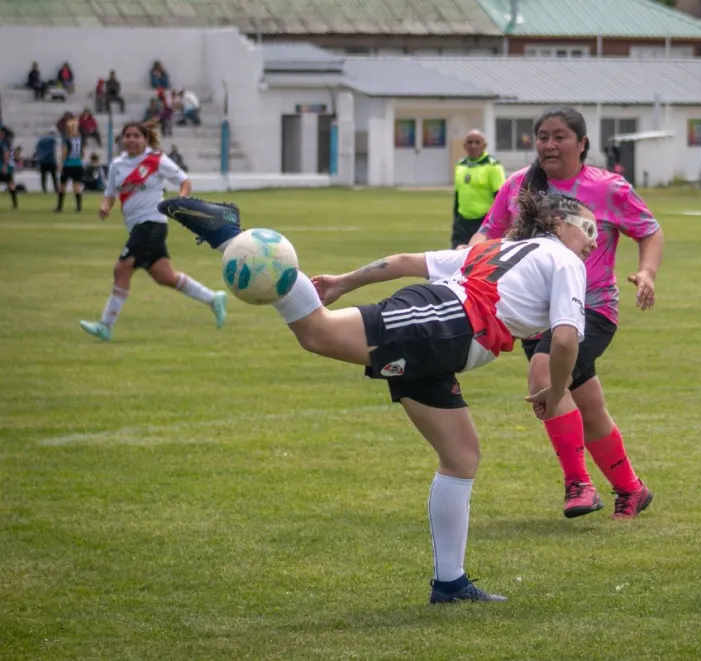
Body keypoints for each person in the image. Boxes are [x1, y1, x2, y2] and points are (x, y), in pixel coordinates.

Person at [157, 189, 597, 604]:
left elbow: (406, 261)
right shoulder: (564, 260)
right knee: (317, 332)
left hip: (442, 342)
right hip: (444, 323)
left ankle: (450, 584)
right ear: (559, 223)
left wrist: (344, 282)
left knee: (461, 456)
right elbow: (563, 340)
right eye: (589, 229)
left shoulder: (496, 247)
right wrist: (556, 392)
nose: (593, 244)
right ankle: (229, 234)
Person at [469, 106, 664, 520]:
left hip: (590, 307)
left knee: (544, 377)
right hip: (536, 314)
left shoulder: (609, 187)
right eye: (542, 136)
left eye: (560, 136)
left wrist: (646, 273)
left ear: (582, 143)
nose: (549, 144)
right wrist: (471, 257)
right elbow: (488, 231)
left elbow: (649, 229)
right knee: (586, 407)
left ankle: (579, 485)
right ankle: (632, 490)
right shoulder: (519, 186)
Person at [79, 122, 227, 341]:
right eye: (127, 135)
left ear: (145, 139)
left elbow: (184, 181)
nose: (131, 139)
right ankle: (213, 298)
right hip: (137, 227)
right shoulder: (117, 165)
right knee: (165, 277)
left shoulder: (156, 160)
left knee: (121, 269)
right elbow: (110, 193)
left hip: (152, 223)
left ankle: (105, 326)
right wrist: (105, 206)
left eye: (136, 135)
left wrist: (182, 199)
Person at [451, 130, 505, 249]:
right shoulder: (461, 165)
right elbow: (458, 194)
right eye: (469, 142)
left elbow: (500, 197)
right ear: (464, 146)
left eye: (477, 142)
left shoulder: (493, 166)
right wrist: (456, 219)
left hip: (483, 221)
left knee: (480, 257)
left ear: (484, 145)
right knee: (457, 255)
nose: (473, 146)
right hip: (462, 221)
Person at [55, 119, 86, 213]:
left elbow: (64, 153)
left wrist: (60, 165)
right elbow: (83, 153)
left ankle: (60, 207)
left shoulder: (66, 139)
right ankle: (79, 207)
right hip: (78, 164)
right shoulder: (80, 139)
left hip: (68, 165)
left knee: (62, 186)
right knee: (77, 187)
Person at [34, 129, 60, 194]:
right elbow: (54, 151)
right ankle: (56, 189)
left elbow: (37, 149)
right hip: (51, 161)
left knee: (43, 176)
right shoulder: (53, 140)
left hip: (43, 161)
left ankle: (44, 189)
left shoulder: (41, 140)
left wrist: (40, 158)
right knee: (54, 176)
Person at [0, 127, 17, 209]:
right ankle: (15, 203)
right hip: (8, 166)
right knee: (10, 183)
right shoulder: (7, 142)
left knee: (10, 183)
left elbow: (6, 154)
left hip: (3, 166)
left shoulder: (4, 143)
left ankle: (15, 203)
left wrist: (5, 166)